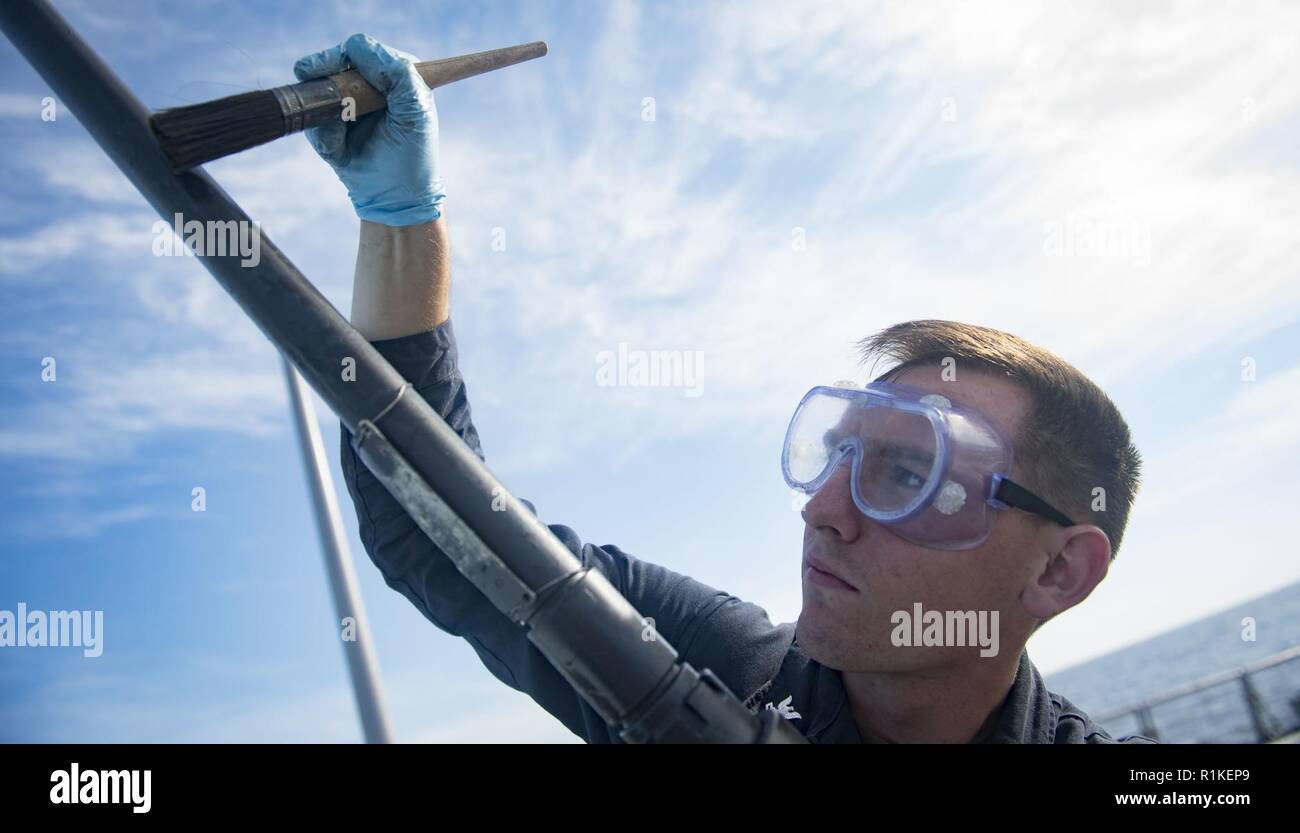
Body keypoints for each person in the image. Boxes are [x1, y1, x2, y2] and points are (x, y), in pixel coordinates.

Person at [299, 34, 1152, 744]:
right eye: (839, 454)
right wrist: (399, 220)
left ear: (1059, 569)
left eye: (907, 475)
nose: (825, 509)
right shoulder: (706, 681)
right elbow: (442, 536)